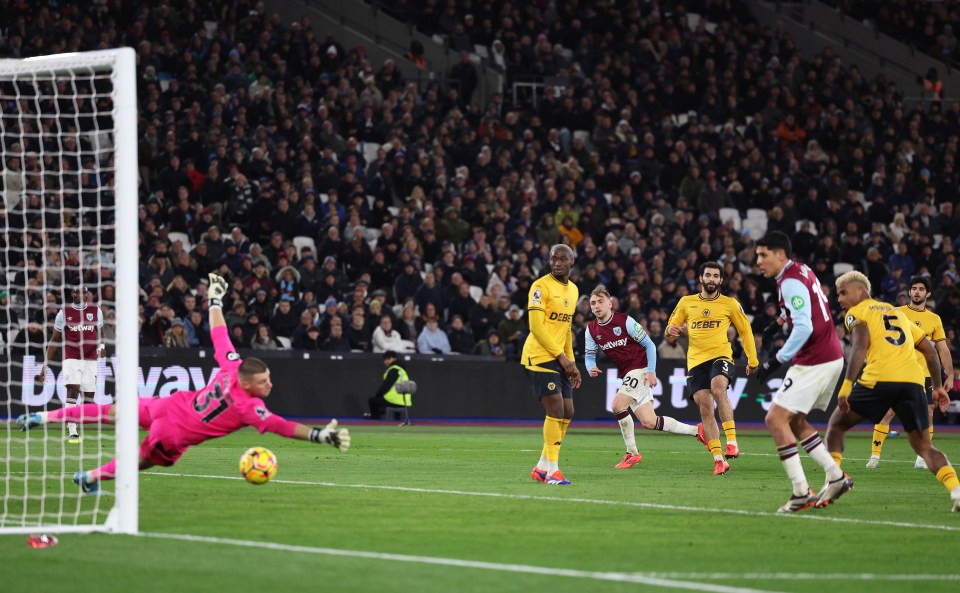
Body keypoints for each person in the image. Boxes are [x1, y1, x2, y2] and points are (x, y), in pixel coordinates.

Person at [18, 274, 350, 495]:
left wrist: (216, 301)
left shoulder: (231, 366)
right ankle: (90, 477)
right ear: (248, 384)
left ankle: (43, 418)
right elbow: (280, 426)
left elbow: (220, 334)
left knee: (109, 411)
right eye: (264, 382)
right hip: (174, 433)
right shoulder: (249, 407)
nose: (270, 385)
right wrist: (319, 435)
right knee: (143, 460)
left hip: (168, 404)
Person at [823, 271, 959, 511]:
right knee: (925, 447)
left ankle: (834, 479)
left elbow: (860, 346)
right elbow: (930, 350)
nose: (840, 299)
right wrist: (937, 387)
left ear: (860, 291)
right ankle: (957, 491)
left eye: (843, 293)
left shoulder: (857, 312)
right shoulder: (896, 312)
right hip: (913, 383)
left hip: (879, 379)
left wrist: (846, 387)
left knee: (836, 425)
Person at [754, 232, 847, 512]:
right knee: (794, 422)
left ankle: (799, 491)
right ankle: (835, 475)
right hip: (830, 356)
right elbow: (799, 305)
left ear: (780, 254)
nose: (758, 261)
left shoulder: (790, 280)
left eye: (763, 255)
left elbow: (804, 325)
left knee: (775, 419)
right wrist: (778, 321)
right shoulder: (799, 270)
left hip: (815, 358)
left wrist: (776, 360)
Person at [585, 285, 699, 469]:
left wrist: (651, 371)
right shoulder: (591, 330)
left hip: (640, 368)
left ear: (609, 304)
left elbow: (650, 345)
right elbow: (589, 356)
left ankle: (632, 453)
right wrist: (591, 367)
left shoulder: (625, 321)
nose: (596, 306)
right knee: (649, 422)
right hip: (629, 374)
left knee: (616, 405)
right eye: (593, 303)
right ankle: (697, 430)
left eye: (600, 302)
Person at [666, 262, 758, 475]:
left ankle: (732, 442)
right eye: (708, 275)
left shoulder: (730, 304)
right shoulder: (686, 302)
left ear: (721, 280)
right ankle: (718, 459)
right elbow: (670, 330)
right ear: (700, 278)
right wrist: (670, 331)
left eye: (716, 276)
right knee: (705, 406)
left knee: (718, 388)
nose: (711, 279)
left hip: (721, 355)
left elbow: (745, 331)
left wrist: (752, 359)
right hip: (696, 361)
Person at [867, 275, 954, 469]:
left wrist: (951, 374)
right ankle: (874, 456)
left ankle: (921, 458)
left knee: (928, 413)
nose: (917, 292)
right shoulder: (896, 312)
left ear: (928, 294)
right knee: (888, 412)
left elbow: (943, 349)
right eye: (914, 288)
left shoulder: (934, 319)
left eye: (921, 289)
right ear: (909, 292)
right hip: (898, 370)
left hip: (924, 374)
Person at [522, 244, 581, 486]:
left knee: (568, 412)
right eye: (553, 259)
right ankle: (552, 472)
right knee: (555, 409)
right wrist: (562, 358)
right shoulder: (540, 286)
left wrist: (572, 362)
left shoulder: (574, 291)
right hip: (539, 356)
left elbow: (565, 329)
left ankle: (541, 466)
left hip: (559, 357)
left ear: (571, 262)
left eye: (562, 259)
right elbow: (536, 327)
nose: (557, 262)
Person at [39, 284, 106, 443]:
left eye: (83, 291)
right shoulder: (64, 313)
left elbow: (101, 335)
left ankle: (72, 419)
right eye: (77, 291)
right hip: (71, 357)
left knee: (89, 398)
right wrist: (45, 365)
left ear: (87, 294)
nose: (80, 294)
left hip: (90, 358)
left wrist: (102, 347)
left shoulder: (96, 311)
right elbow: (54, 340)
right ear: (72, 294)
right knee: (73, 388)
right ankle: (72, 430)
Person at [365, 351, 410, 420]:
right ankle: (397, 419)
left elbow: (386, 386)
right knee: (384, 401)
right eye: (385, 359)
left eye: (387, 359)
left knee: (372, 400)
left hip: (394, 400)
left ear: (393, 359)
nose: (385, 361)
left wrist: (377, 395)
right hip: (404, 401)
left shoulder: (394, 370)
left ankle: (375, 418)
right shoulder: (402, 370)